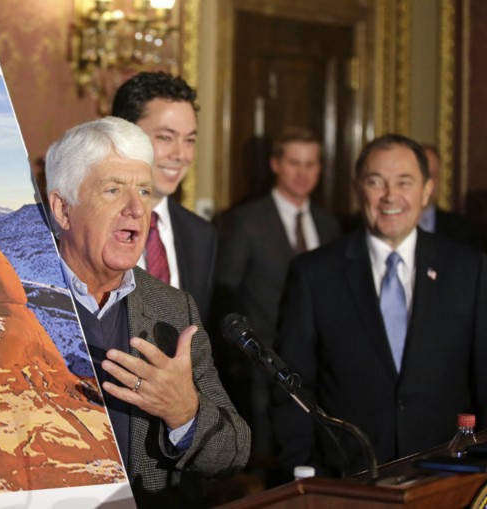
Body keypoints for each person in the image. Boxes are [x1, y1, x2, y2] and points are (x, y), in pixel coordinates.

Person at [45, 116, 250, 508]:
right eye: (113, 190)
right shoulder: (11, 300)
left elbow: (233, 453)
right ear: (63, 209)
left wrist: (184, 412)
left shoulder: (172, 310)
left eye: (144, 190)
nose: (136, 209)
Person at [272, 133, 487, 478]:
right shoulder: (314, 274)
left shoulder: (468, 269)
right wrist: (305, 472)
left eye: (405, 182)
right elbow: (292, 388)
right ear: (358, 188)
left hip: (446, 479)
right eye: (376, 182)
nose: (390, 197)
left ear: (427, 190)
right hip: (346, 481)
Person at [214, 127, 340, 469]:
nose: (303, 173)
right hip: (262, 373)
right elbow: (224, 293)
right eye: (294, 163)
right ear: (275, 164)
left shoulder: (329, 226)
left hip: (321, 370)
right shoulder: (246, 221)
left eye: (311, 164)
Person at [111, 71, 218, 322]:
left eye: (189, 140)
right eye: (165, 137)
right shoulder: (85, 225)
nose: (181, 154)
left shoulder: (201, 236)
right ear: (123, 135)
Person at [418, 143, 482, 249]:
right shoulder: (389, 224)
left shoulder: (463, 229)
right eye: (423, 174)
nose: (428, 182)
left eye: (433, 175)